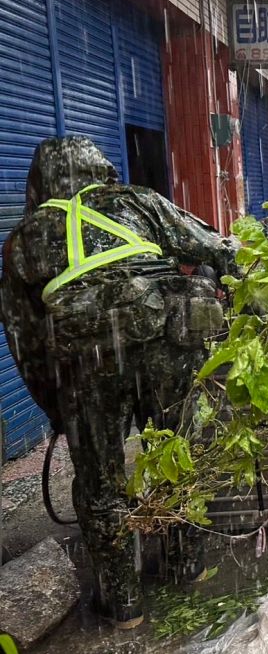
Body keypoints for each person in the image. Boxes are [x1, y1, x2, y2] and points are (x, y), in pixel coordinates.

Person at [0, 136, 238, 628]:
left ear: (40, 182)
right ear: (100, 170)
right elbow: (219, 249)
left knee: (100, 484)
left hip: (86, 364)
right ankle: (185, 567)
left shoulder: (25, 238)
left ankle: (122, 602)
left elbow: (25, 342)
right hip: (167, 348)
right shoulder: (137, 202)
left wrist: (59, 410)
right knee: (179, 455)